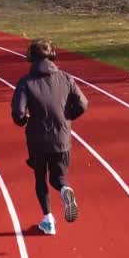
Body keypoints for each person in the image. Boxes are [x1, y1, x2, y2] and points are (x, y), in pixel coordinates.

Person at [11, 38, 87, 235]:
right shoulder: (67, 78)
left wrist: (23, 120)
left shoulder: (26, 82)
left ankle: (48, 220)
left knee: (40, 178)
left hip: (37, 140)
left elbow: (18, 113)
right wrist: (67, 117)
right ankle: (64, 190)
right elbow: (82, 104)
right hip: (62, 138)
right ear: (53, 55)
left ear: (31, 58)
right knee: (58, 177)